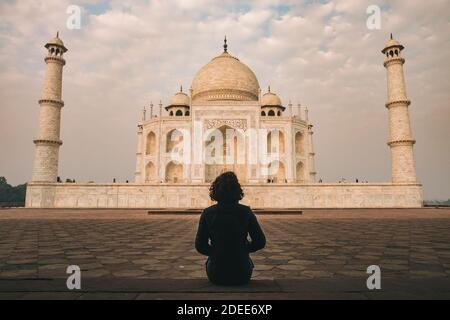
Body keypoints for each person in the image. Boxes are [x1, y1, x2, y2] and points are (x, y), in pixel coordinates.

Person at [195, 171, 266, 286]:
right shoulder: (245, 212)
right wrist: (242, 249)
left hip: (216, 273)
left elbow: (200, 246)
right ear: (237, 191)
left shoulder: (208, 213)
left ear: (216, 191)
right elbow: (260, 242)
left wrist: (217, 252)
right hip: (242, 273)